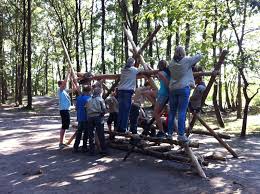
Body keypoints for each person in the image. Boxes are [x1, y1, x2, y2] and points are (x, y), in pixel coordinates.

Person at [168, 46, 202, 143]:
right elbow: (198, 57)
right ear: (183, 52)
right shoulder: (186, 61)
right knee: (182, 112)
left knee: (172, 112)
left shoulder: (171, 63)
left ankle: (169, 134)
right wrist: (199, 52)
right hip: (183, 88)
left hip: (173, 89)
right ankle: (181, 135)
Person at [117, 57, 141, 133]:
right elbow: (143, 69)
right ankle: (123, 128)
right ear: (133, 63)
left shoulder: (123, 69)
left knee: (121, 110)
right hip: (127, 92)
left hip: (120, 91)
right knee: (126, 111)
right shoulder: (133, 70)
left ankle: (119, 127)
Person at [85, 87, 107, 156]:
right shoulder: (100, 99)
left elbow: (85, 108)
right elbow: (104, 109)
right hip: (98, 117)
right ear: (99, 93)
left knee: (91, 135)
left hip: (90, 118)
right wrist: (102, 114)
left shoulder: (88, 100)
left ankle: (92, 150)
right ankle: (103, 150)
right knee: (101, 134)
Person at [73, 85, 92, 153]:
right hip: (86, 118)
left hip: (80, 117)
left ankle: (75, 147)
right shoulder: (89, 98)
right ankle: (84, 147)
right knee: (86, 133)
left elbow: (76, 108)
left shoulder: (79, 98)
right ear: (89, 91)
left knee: (79, 132)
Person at [57, 68, 72, 149]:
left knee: (65, 126)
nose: (65, 84)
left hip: (66, 110)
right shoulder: (60, 90)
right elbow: (65, 82)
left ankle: (62, 141)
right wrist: (68, 73)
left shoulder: (65, 91)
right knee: (64, 125)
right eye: (63, 84)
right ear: (60, 85)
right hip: (63, 110)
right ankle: (60, 142)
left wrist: (74, 82)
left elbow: (74, 89)